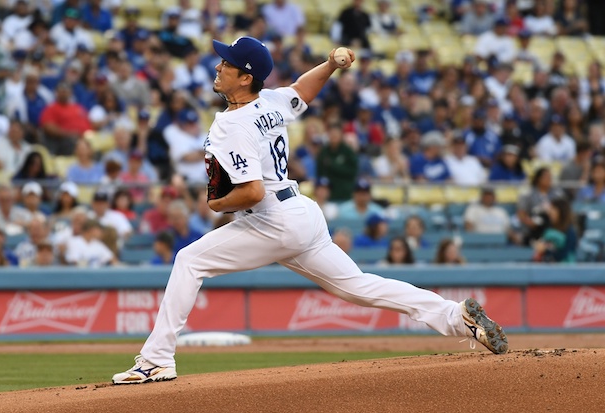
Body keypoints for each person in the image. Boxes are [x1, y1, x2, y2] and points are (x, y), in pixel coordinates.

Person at [112, 37, 508, 385]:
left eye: (227, 64)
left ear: (245, 77)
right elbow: (304, 88)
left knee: (189, 260)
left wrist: (217, 203)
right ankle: (455, 317)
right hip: (301, 211)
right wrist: (331, 65)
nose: (219, 66)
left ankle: (156, 360)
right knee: (359, 286)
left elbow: (249, 192)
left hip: (272, 219)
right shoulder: (268, 102)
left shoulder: (230, 126)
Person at [532, 198, 577, 263]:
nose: (550, 212)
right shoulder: (548, 230)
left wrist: (545, 250)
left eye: (554, 209)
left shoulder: (570, 232)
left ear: (561, 212)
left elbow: (562, 255)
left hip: (566, 269)